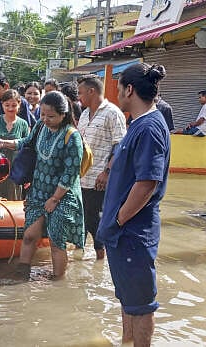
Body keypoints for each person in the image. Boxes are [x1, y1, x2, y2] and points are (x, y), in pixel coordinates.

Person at [97, 63, 170, 346]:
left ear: (130, 89)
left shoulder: (150, 127)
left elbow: (147, 184)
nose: (116, 91)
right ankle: (126, 341)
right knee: (128, 299)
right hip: (123, 232)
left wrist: (118, 221)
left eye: (119, 86)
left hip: (133, 233)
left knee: (141, 304)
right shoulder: (137, 124)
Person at [0, 91, 84, 280]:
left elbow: (70, 173)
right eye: (42, 114)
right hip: (38, 191)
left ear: (63, 115)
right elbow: (27, 142)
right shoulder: (40, 126)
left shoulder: (72, 137)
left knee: (56, 242)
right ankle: (22, 273)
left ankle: (57, 281)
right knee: (29, 235)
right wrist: (5, 143)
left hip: (62, 195)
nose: (45, 119)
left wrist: (55, 199)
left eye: (51, 116)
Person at [76, 74, 127, 260]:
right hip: (82, 177)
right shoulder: (83, 114)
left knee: (93, 218)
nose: (79, 97)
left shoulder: (113, 113)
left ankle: (101, 256)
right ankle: (79, 253)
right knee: (82, 217)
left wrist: (107, 172)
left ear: (92, 91)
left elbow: (120, 146)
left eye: (81, 93)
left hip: (100, 179)